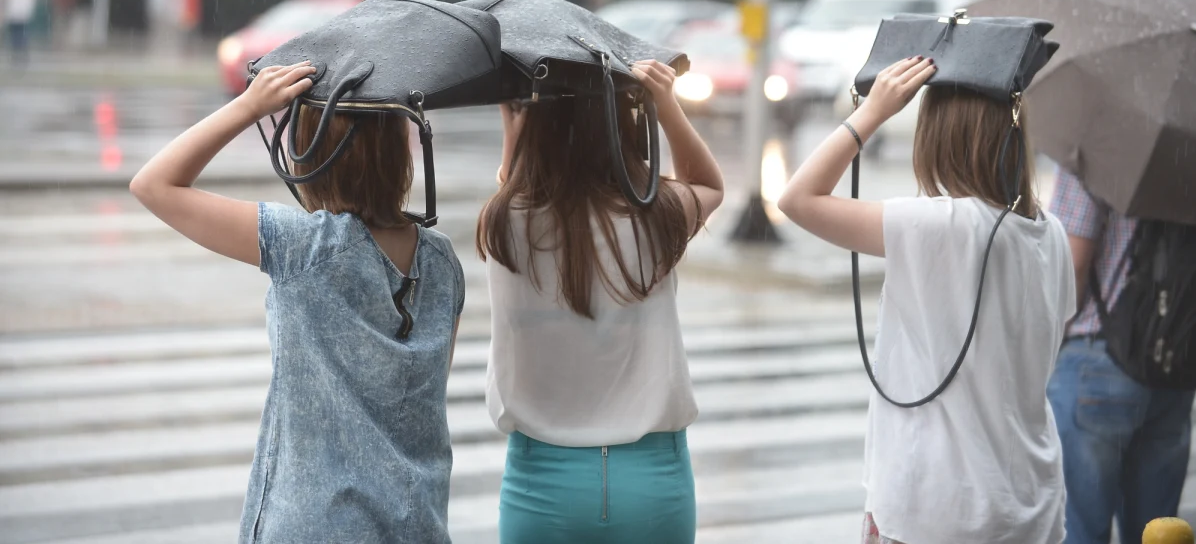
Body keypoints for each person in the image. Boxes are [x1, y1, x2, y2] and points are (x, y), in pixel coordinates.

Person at [130, 61, 465, 544]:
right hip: (417, 526)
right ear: (400, 152)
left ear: (312, 155)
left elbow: (154, 184)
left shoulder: (304, 246)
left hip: (314, 525)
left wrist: (249, 107)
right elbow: (422, 396)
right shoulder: (443, 262)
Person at [777, 57, 1075, 544]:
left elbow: (798, 200)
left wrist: (870, 113)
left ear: (938, 137)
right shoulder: (1051, 232)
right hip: (1031, 503)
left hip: (940, 509)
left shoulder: (942, 225)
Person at [479, 59, 724, 544]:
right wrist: (666, 105)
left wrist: (517, 128)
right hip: (652, 483)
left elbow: (516, 184)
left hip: (542, 485)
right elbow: (709, 185)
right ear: (622, 124)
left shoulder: (503, 223)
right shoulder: (658, 217)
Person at [1047, 167, 1195, 544]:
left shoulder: (1098, 141)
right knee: (1158, 533)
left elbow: (1072, 265)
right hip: (1174, 365)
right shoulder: (1190, 143)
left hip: (1096, 360)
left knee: (1079, 531)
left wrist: (1047, 348)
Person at [5, 0, 37, 64]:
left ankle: (20, 55)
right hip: (17, 15)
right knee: (18, 36)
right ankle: (18, 55)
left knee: (20, 36)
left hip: (19, 15)